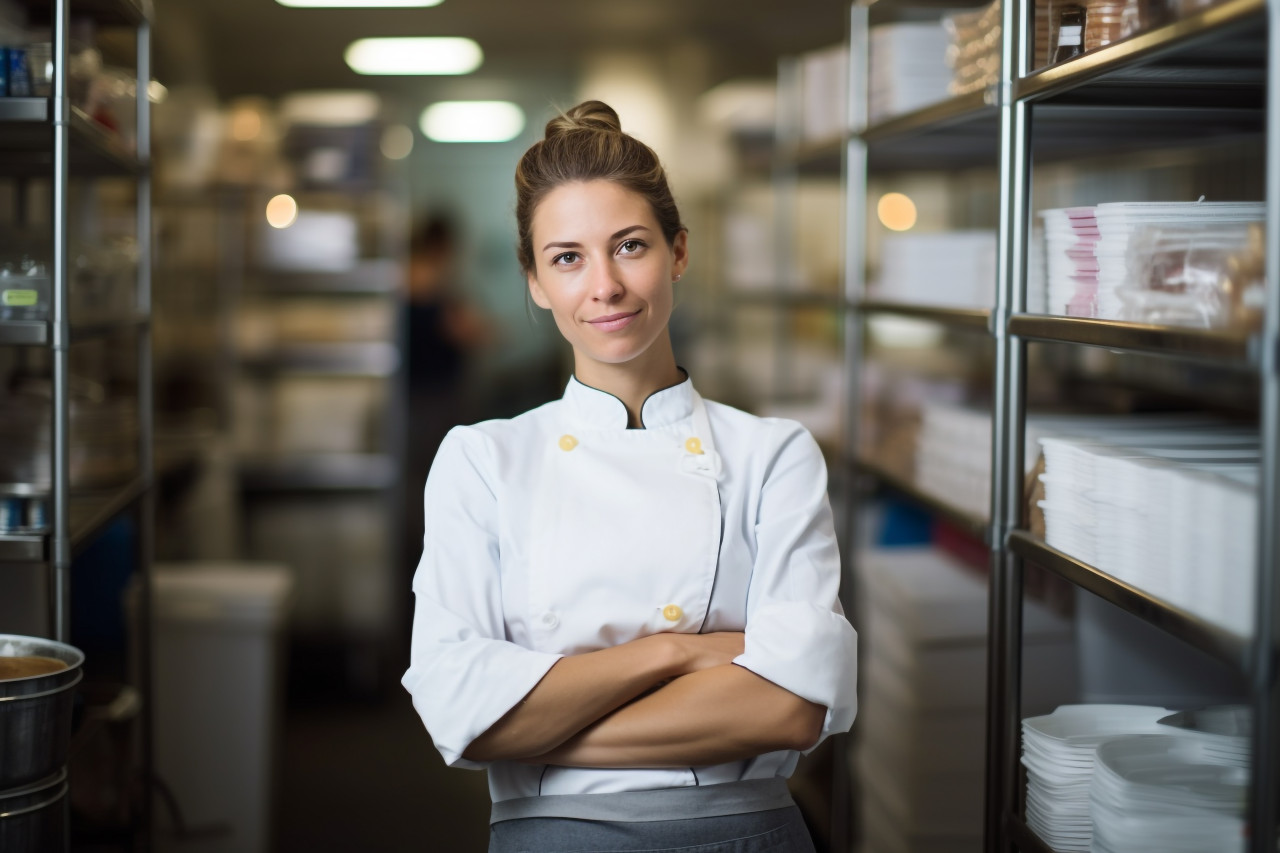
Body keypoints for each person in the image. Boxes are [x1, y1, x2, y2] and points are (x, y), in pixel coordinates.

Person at [402, 100, 858, 853]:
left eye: (630, 246)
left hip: (743, 833)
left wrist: (531, 725)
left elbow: (790, 710)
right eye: (568, 257)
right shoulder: (482, 460)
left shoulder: (773, 453)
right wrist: (678, 651)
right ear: (536, 282)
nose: (604, 286)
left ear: (678, 252)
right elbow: (458, 709)